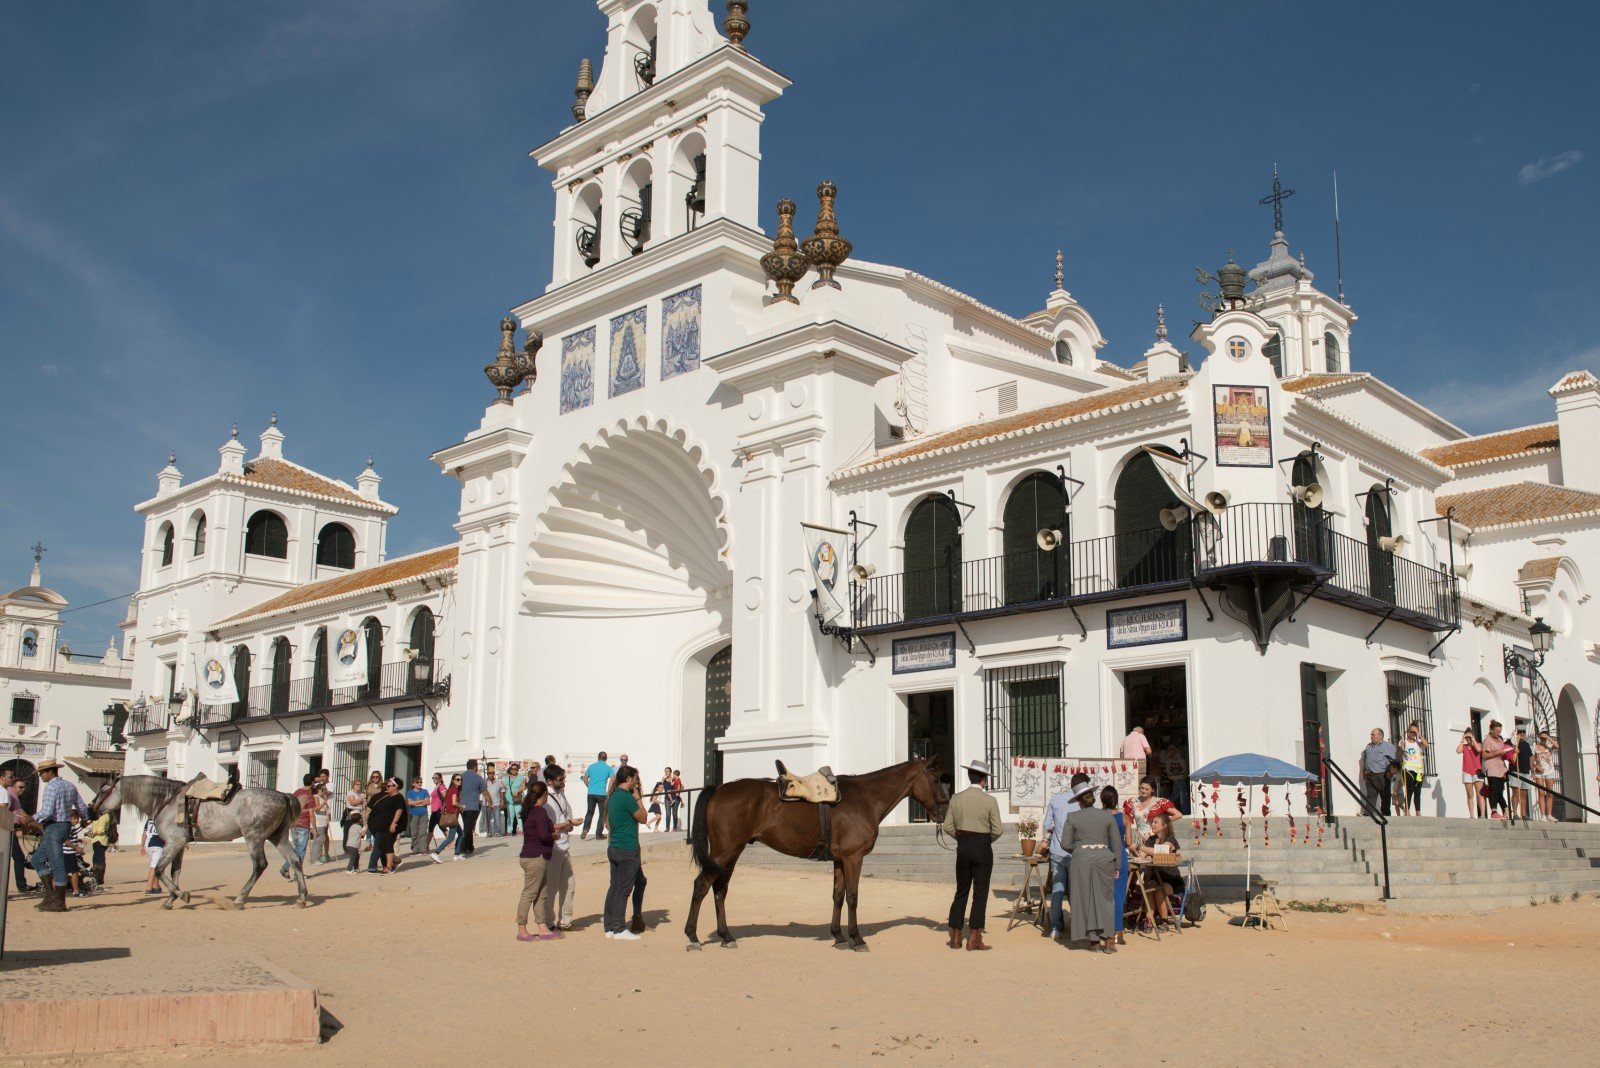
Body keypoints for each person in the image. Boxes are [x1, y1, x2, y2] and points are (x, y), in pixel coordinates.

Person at [940, 759, 1002, 951]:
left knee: (962, 890)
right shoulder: (990, 801)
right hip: (982, 847)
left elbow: (947, 826)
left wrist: (961, 838)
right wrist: (984, 841)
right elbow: (998, 829)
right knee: (980, 892)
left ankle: (956, 936)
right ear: (983, 780)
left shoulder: (956, 798)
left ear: (970, 776)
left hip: (963, 846)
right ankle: (974, 938)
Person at [1059, 778, 1123, 953]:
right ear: (1093, 797)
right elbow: (1116, 843)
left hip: (1081, 860)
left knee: (1085, 900)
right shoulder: (1107, 816)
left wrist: (1079, 849)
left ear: (1079, 801)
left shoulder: (1072, 817)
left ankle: (1093, 940)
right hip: (1104, 859)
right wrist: (1117, 865)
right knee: (1106, 899)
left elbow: (1065, 844)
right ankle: (1109, 940)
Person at [25, 758, 86, 913]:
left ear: (50, 771)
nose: (40, 776)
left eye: (42, 773)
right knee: (37, 859)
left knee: (58, 865)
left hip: (54, 826)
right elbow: (82, 807)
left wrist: (32, 818)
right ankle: (51, 896)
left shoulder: (51, 787)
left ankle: (59, 902)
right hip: (64, 826)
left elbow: (46, 812)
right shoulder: (70, 785)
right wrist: (85, 818)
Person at [1040, 772, 1089, 939]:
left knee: (1057, 889)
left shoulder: (1056, 799)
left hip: (1058, 851)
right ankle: (1078, 925)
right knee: (1077, 889)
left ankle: (1055, 928)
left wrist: (1060, 832)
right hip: (1077, 852)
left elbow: (1047, 824)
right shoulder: (1083, 803)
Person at [603, 764, 649, 940]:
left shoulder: (613, 796)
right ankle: (620, 928)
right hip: (626, 848)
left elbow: (608, 823)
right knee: (623, 889)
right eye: (635, 779)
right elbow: (644, 818)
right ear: (628, 779)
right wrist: (637, 798)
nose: (636, 783)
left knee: (614, 887)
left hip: (614, 846)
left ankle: (610, 927)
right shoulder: (627, 797)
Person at [514, 780, 561, 942]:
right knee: (530, 893)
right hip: (536, 856)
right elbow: (543, 835)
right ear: (544, 795)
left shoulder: (529, 811)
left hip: (530, 855)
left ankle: (542, 927)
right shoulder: (539, 811)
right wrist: (554, 835)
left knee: (541, 893)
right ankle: (522, 929)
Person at [1133, 813, 1186, 927]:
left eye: (1156, 822)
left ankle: (1163, 920)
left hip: (1171, 878)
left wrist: (1139, 847)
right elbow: (1140, 856)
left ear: (1164, 825)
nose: (1152, 824)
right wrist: (1133, 849)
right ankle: (1149, 918)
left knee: (1159, 889)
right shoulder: (1150, 840)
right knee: (1148, 886)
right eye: (1152, 822)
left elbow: (1162, 850)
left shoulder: (1170, 838)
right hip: (1155, 876)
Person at [542, 763, 578, 931]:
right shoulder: (546, 799)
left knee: (569, 885)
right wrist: (567, 824)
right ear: (549, 781)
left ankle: (565, 920)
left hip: (564, 845)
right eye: (560, 779)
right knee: (552, 887)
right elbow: (550, 825)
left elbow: (565, 816)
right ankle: (548, 921)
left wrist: (570, 823)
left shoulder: (561, 795)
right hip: (554, 847)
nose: (563, 781)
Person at [2, 768, 38, 894]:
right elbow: (18, 814)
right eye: (20, 787)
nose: (23, 789)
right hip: (7, 829)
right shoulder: (8, 792)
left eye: (24, 787)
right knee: (17, 858)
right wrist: (37, 825)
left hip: (9, 828)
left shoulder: (9, 792)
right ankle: (21, 886)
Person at [366, 777, 408, 874]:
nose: (387, 787)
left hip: (392, 825)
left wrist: (394, 823)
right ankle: (396, 861)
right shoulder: (390, 797)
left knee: (388, 845)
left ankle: (389, 867)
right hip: (385, 825)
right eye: (387, 785)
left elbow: (399, 810)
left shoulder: (398, 797)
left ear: (396, 787)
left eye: (389, 786)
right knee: (384, 845)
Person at [1105, 786, 1130, 945]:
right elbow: (1128, 842)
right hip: (1120, 855)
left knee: (1102, 894)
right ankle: (1118, 931)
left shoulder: (1099, 816)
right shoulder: (1125, 818)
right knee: (1119, 895)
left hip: (1102, 856)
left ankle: (1102, 929)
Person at [1123, 777, 1180, 845]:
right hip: (1139, 838)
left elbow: (1178, 815)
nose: (1144, 791)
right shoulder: (1133, 802)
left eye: (1147, 789)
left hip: (1154, 838)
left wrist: (1162, 822)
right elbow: (1126, 819)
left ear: (1153, 790)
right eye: (1142, 788)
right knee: (1139, 855)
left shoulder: (1159, 802)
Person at [280, 773, 316, 878]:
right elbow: (311, 814)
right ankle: (290, 870)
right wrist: (314, 828)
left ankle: (293, 871)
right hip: (303, 825)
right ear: (312, 783)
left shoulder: (296, 792)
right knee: (300, 850)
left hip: (294, 824)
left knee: (296, 849)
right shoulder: (309, 796)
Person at [1360, 728, 1398, 816]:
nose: (1371, 737)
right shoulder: (1368, 746)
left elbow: (1395, 762)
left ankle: (1386, 815)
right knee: (1371, 795)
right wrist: (1363, 771)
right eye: (1371, 735)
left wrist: (1391, 773)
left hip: (1382, 775)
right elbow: (1365, 759)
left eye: (1373, 735)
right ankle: (1368, 814)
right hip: (1370, 775)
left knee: (1385, 796)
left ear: (1380, 736)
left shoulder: (1388, 746)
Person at [1481, 721, 1512, 819]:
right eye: (1497, 731)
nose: (1499, 733)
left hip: (1501, 769)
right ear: (1492, 730)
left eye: (1500, 731)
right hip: (1492, 768)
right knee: (1493, 790)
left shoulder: (1499, 740)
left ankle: (1505, 809)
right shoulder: (1487, 740)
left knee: (1499, 791)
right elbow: (1484, 755)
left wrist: (1510, 752)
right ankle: (1494, 811)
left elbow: (1502, 753)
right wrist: (1498, 753)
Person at [431, 773, 464, 861]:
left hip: (451, 815)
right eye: (457, 779)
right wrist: (461, 806)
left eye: (461, 780)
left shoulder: (451, 789)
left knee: (461, 834)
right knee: (451, 837)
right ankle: (436, 853)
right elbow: (454, 803)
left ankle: (457, 855)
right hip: (452, 816)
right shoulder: (454, 790)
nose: (459, 781)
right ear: (453, 781)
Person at [457, 759, 487, 857]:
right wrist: (491, 803)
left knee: (467, 826)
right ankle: (461, 849)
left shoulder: (460, 777)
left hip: (461, 806)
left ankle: (470, 847)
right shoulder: (478, 778)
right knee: (468, 828)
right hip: (473, 806)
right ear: (475, 767)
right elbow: (485, 792)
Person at [582, 751, 613, 840]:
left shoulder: (592, 766)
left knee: (589, 812)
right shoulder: (608, 768)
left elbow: (585, 778)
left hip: (591, 793)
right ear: (606, 758)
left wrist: (589, 786)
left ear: (598, 757)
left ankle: (585, 830)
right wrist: (609, 790)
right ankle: (599, 834)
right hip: (602, 794)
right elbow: (613, 778)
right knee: (602, 814)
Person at [1399, 723, 1429, 817]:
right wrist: (1401, 749)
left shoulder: (1418, 742)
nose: (1412, 733)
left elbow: (1426, 745)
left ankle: (1418, 811)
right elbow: (1399, 752)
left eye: (1414, 732)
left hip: (1418, 769)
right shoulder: (1403, 741)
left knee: (1417, 791)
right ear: (1408, 731)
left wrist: (1419, 734)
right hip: (1408, 768)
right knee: (1410, 788)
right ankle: (1407, 810)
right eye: (1411, 731)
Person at [1457, 729, 1484, 818]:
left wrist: (1473, 739)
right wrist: (1462, 740)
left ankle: (1482, 815)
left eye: (1469, 737)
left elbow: (1479, 749)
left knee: (1479, 793)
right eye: (1467, 737)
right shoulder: (1464, 746)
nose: (1468, 738)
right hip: (1466, 771)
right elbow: (1458, 751)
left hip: (1477, 772)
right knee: (1469, 794)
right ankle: (1472, 815)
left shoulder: (1477, 744)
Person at [1533, 732, 1559, 821]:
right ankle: (1543, 815)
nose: (1543, 739)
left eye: (1544, 738)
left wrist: (1548, 737)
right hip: (1539, 772)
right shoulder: (1535, 747)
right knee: (1541, 793)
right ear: (1539, 737)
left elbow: (1557, 746)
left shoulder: (1549, 748)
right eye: (1541, 737)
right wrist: (1537, 767)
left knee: (1549, 793)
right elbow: (1531, 761)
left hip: (1549, 771)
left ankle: (1549, 814)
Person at [405, 776, 431, 854]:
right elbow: (409, 803)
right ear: (413, 784)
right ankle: (415, 849)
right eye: (417, 782)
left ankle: (423, 849)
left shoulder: (425, 791)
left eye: (420, 782)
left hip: (423, 814)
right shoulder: (410, 792)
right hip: (414, 814)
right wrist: (422, 801)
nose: (419, 784)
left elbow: (428, 802)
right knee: (414, 832)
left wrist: (416, 802)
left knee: (423, 832)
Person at [86, 808, 111, 887]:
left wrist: (92, 833)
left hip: (100, 840)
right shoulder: (99, 816)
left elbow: (101, 830)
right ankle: (96, 877)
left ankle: (99, 878)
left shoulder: (104, 816)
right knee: (96, 858)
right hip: (98, 840)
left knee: (99, 859)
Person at [1512, 729, 1534, 821]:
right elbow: (1508, 752)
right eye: (1519, 732)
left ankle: (1524, 814)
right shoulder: (1512, 742)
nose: (1521, 734)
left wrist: (1532, 770)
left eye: (1523, 732)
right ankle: (1515, 814)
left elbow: (1530, 756)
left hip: (1525, 771)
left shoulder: (1526, 744)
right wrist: (1514, 750)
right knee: (1516, 792)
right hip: (1515, 770)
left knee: (1524, 794)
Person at [142, 817, 166, 894]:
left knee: (156, 866)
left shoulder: (149, 819)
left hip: (148, 845)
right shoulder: (164, 816)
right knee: (154, 867)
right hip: (157, 844)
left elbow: (144, 833)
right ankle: (149, 888)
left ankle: (157, 886)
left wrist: (142, 846)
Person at [504, 762, 527, 836]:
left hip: (517, 799)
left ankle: (520, 830)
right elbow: (504, 788)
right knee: (510, 816)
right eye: (512, 769)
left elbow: (524, 787)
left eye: (515, 769)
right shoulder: (506, 778)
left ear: (518, 770)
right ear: (510, 769)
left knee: (518, 815)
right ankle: (509, 831)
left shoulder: (521, 777)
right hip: (509, 799)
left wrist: (517, 791)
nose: (514, 770)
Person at [311, 781, 332, 863]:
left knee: (322, 840)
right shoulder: (316, 797)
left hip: (324, 822)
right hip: (319, 822)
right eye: (324, 789)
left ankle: (319, 856)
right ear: (320, 789)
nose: (326, 790)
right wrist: (323, 804)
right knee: (319, 841)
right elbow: (316, 809)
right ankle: (316, 858)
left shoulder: (323, 798)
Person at [482, 766, 504, 838]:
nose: (491, 774)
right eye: (489, 773)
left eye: (492, 773)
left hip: (496, 802)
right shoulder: (484, 782)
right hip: (487, 803)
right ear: (487, 774)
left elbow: (501, 791)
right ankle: (489, 832)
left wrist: (502, 800)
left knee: (497, 818)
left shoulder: (498, 782)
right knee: (487, 818)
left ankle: (497, 832)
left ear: (494, 774)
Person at [342, 808, 364, 874]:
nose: (362, 819)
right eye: (361, 818)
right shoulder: (358, 826)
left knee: (357, 856)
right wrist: (366, 828)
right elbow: (362, 834)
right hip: (353, 845)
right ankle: (349, 869)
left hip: (349, 844)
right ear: (359, 820)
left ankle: (356, 868)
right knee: (353, 857)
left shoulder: (352, 826)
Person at [427, 771, 447, 841]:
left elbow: (446, 798)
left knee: (431, 827)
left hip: (438, 810)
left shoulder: (441, 787)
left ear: (440, 779)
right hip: (435, 810)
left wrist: (443, 809)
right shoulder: (436, 787)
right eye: (433, 778)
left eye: (436, 778)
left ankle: (426, 845)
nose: (434, 779)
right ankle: (451, 842)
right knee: (441, 826)